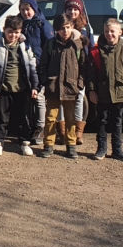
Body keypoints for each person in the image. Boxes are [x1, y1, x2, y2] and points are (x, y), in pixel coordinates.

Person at [0, 16, 39, 157]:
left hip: (21, 89)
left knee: (22, 118)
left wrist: (35, 86)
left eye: (17, 32)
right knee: (2, 118)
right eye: (10, 32)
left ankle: (24, 143)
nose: (13, 35)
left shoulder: (25, 46)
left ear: (21, 31)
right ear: (4, 30)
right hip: (3, 89)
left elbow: (32, 68)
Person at [86, 18, 123, 162]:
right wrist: (92, 91)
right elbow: (91, 74)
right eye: (106, 31)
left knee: (117, 122)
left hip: (119, 94)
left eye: (112, 31)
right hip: (101, 94)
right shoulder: (95, 52)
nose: (109, 34)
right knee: (101, 121)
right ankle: (101, 148)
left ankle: (117, 149)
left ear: (120, 32)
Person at [38, 13, 87, 159]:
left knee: (70, 119)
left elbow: (84, 67)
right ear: (56, 30)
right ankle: (48, 145)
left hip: (71, 88)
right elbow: (43, 65)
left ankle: (71, 145)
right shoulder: (50, 44)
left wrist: (79, 84)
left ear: (72, 27)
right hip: (53, 88)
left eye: (67, 27)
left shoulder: (77, 45)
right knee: (50, 118)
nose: (65, 31)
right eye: (61, 28)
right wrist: (45, 82)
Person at [17, 0, 55, 147]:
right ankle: (29, 126)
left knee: (39, 97)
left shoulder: (43, 24)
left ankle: (40, 127)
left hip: (39, 66)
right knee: (27, 97)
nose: (25, 13)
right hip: (23, 65)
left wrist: (45, 65)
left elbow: (50, 46)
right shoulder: (20, 24)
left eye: (28, 9)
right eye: (22, 10)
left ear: (34, 9)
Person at [63, 0, 93, 147]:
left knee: (79, 97)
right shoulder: (62, 25)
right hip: (64, 67)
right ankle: (63, 132)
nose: (72, 12)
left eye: (76, 9)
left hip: (80, 68)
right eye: (70, 9)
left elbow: (91, 49)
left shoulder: (86, 29)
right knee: (63, 99)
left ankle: (78, 132)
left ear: (80, 11)